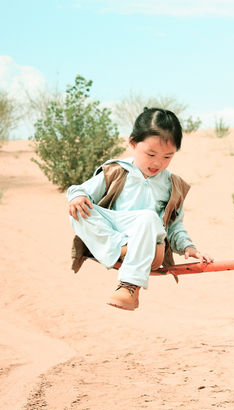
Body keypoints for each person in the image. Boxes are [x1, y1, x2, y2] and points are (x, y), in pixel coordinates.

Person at [67, 107, 212, 311]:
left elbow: (175, 227)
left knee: (147, 217)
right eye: (151, 154)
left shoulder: (172, 185)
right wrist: (77, 196)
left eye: (167, 157)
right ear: (133, 143)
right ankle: (124, 248)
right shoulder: (116, 171)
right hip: (119, 238)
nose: (157, 163)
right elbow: (82, 191)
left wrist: (189, 248)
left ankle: (129, 286)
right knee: (79, 211)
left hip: (152, 247)